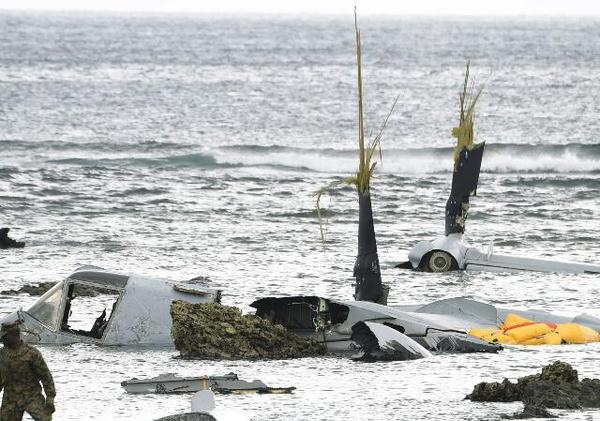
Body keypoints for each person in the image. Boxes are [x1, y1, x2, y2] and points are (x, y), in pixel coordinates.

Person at [0, 322, 55, 421]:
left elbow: (46, 376)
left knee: (45, 419)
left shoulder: (32, 353)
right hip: (10, 399)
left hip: (32, 396)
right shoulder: (2, 355)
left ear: (14, 335)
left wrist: (50, 398)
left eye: (4, 336)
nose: (2, 339)